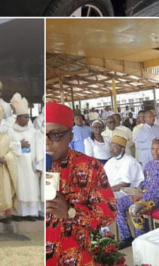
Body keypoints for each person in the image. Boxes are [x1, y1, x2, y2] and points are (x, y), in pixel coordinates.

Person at [45, 102, 116, 265]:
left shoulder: (90, 167)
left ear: (70, 136)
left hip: (75, 259)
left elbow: (108, 213)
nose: (46, 142)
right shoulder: (29, 165)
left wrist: (71, 212)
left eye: (55, 135)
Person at [104, 132, 144, 248]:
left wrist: (108, 191)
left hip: (131, 192)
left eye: (114, 146)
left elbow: (125, 184)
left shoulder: (130, 161)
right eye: (111, 145)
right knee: (99, 203)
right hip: (114, 192)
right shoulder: (110, 162)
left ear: (122, 148)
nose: (111, 148)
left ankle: (126, 237)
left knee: (114, 204)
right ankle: (105, 236)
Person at [127, 140, 159, 238]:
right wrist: (136, 191)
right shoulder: (149, 164)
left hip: (158, 198)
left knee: (134, 209)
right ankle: (126, 238)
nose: (155, 152)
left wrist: (143, 195)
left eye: (158, 149)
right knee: (120, 204)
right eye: (153, 149)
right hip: (143, 194)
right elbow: (144, 182)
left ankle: (142, 239)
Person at [9, 96, 40, 220]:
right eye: (25, 117)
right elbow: (7, 146)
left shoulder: (33, 132)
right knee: (20, 187)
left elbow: (38, 147)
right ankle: (19, 213)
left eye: (28, 117)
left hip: (30, 164)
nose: (28, 119)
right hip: (18, 164)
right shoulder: (11, 131)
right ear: (18, 118)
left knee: (31, 188)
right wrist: (19, 145)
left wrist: (37, 163)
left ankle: (31, 213)